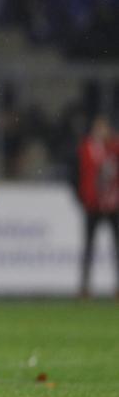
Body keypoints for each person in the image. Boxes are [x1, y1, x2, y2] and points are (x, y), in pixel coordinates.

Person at [76, 115, 119, 298]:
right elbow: (77, 174)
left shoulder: (113, 148)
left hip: (112, 204)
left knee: (116, 246)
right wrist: (83, 197)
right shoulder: (86, 148)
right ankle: (85, 287)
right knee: (88, 247)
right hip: (92, 205)